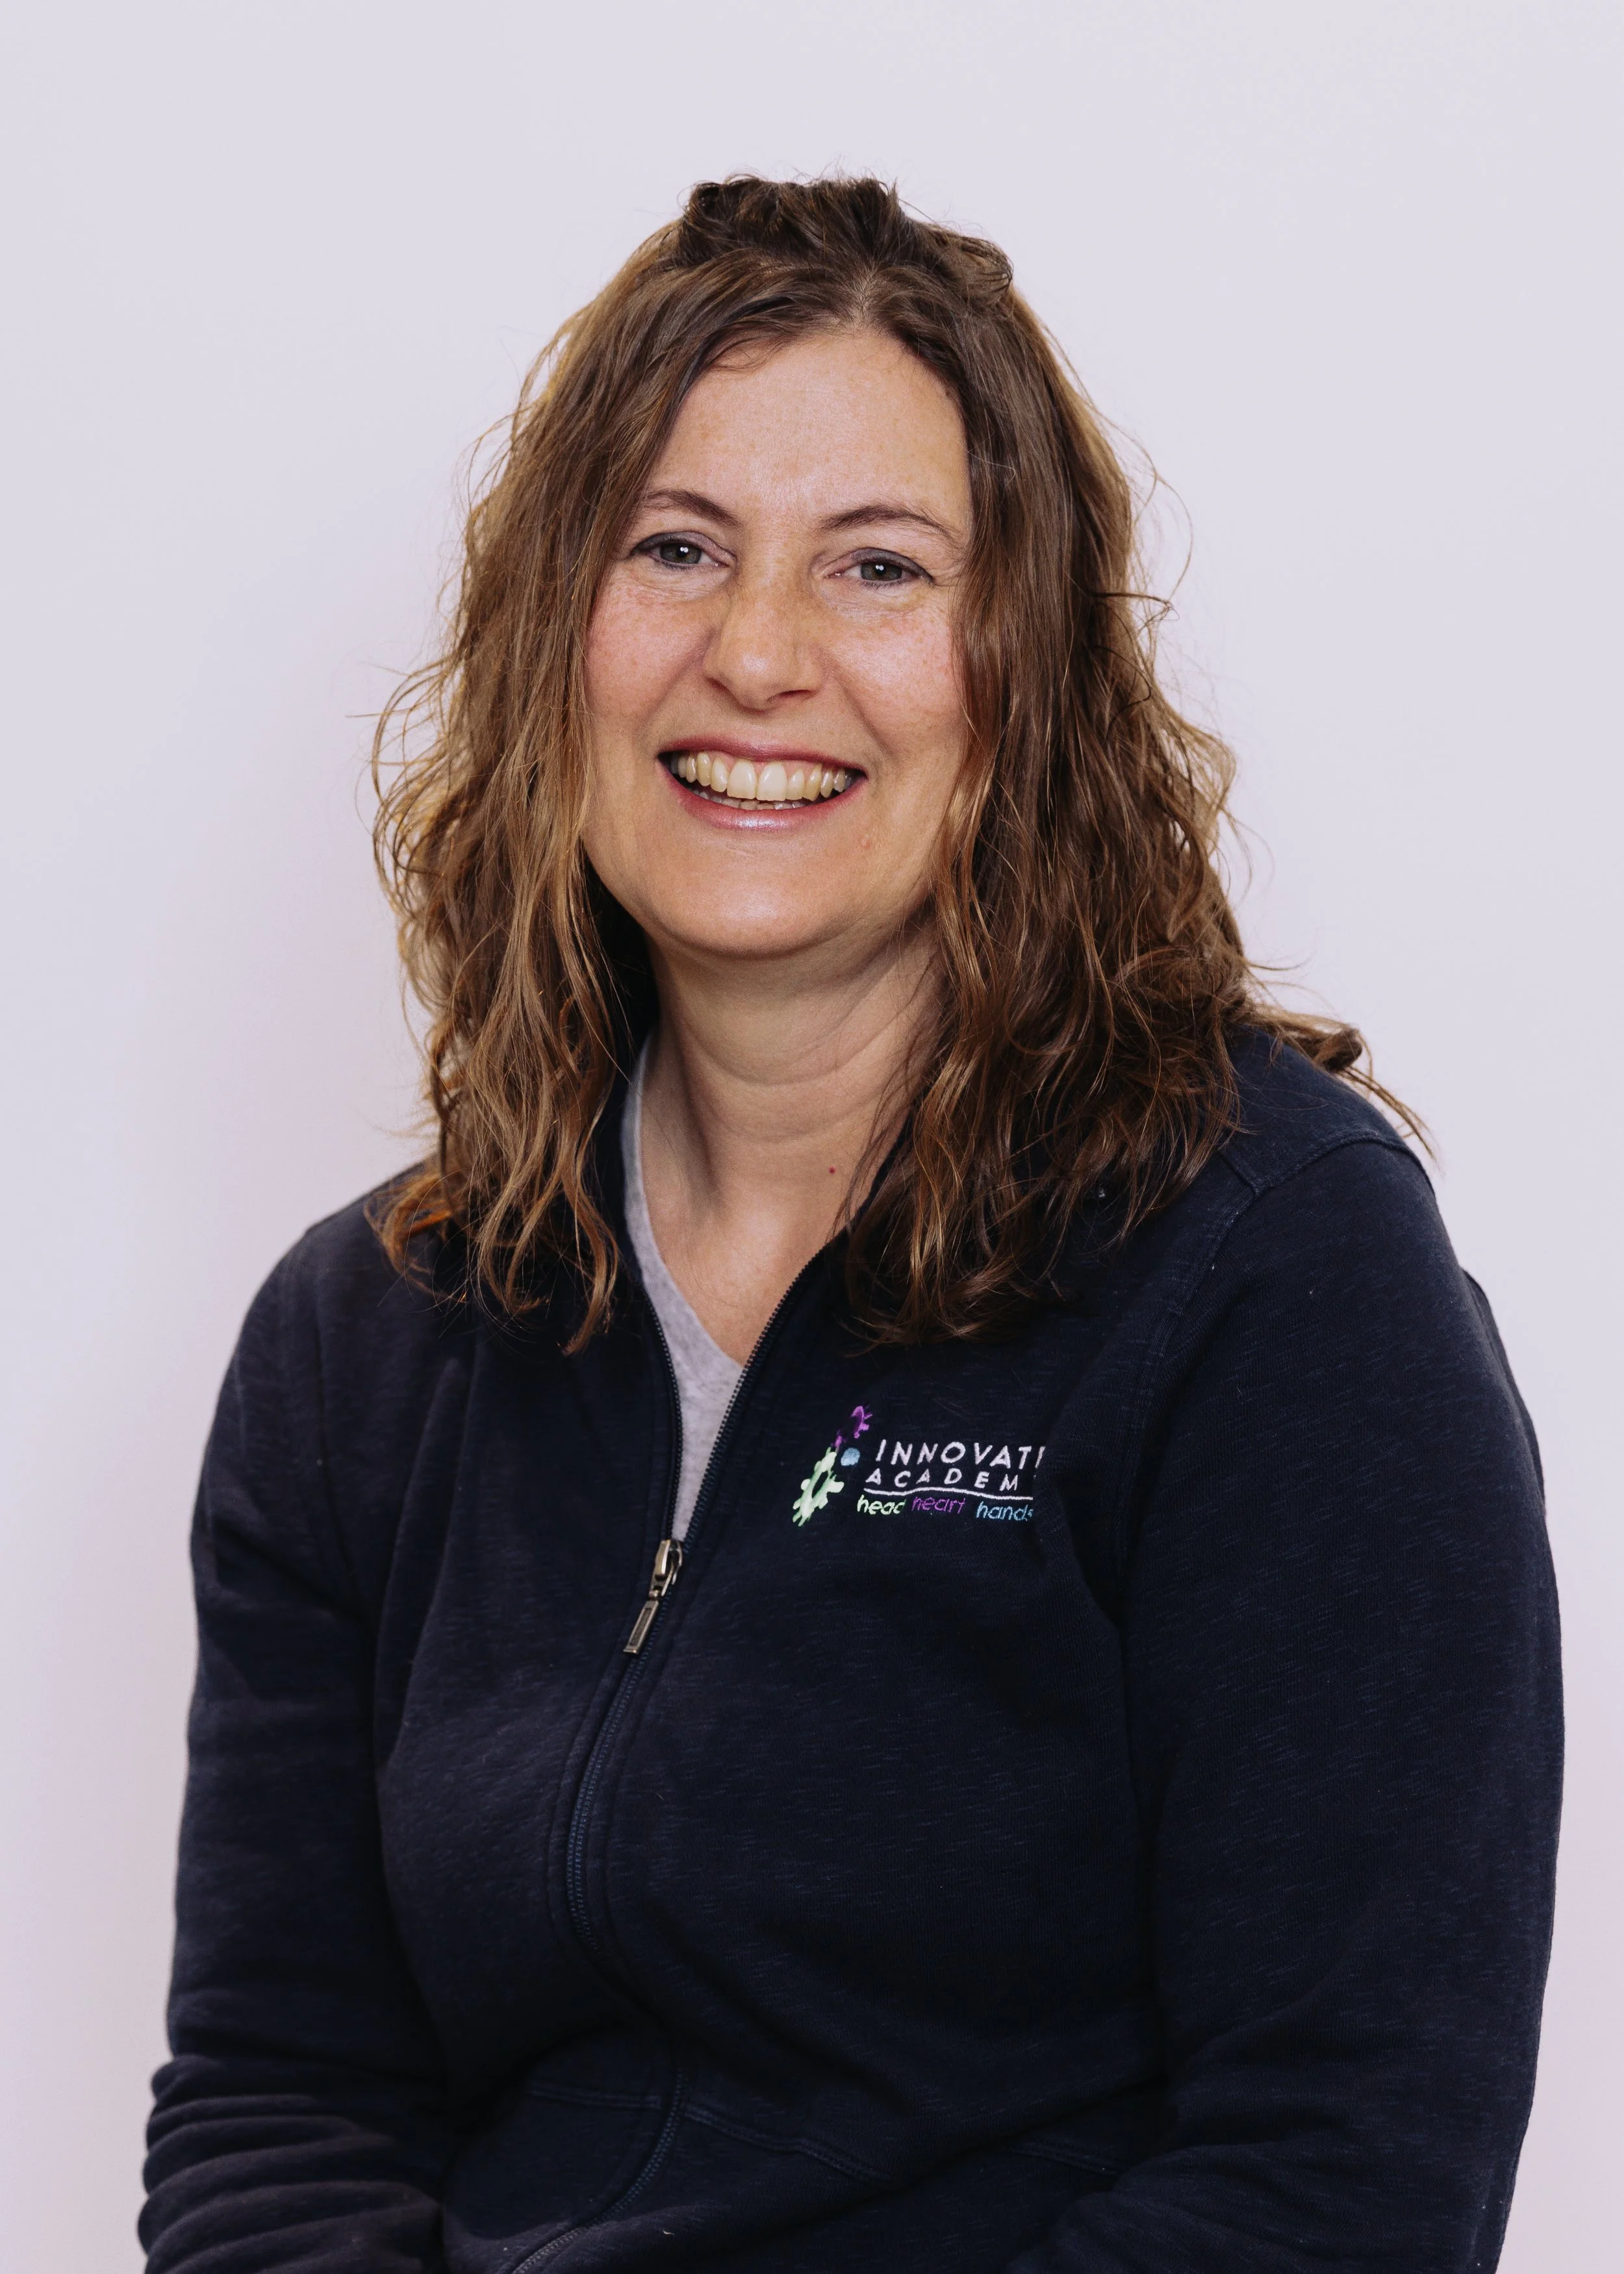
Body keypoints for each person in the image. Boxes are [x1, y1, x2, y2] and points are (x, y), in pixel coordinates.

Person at [141, 177, 1560, 2274]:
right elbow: (279, 2101)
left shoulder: (1273, 1269)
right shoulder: (366, 1338)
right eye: (677, 547)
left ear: (1024, 684)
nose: (758, 653)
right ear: (562, 639)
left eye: (876, 566)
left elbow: (1339, 2172)